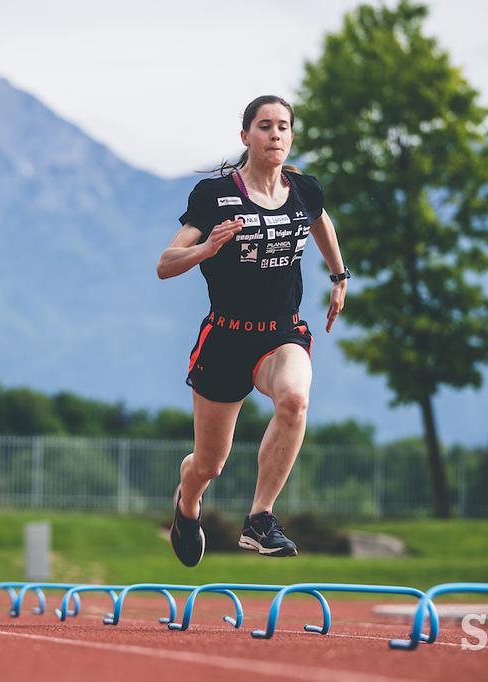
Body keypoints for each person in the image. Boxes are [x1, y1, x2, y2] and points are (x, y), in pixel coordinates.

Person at [157, 95, 349, 566]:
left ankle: (260, 518)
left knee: (294, 399)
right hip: (225, 339)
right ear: (246, 136)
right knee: (209, 464)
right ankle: (187, 503)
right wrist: (207, 248)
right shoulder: (215, 197)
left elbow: (319, 220)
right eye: (265, 126)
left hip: (281, 334)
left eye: (283, 126)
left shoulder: (304, 189)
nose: (276, 134)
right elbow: (165, 264)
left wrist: (339, 275)